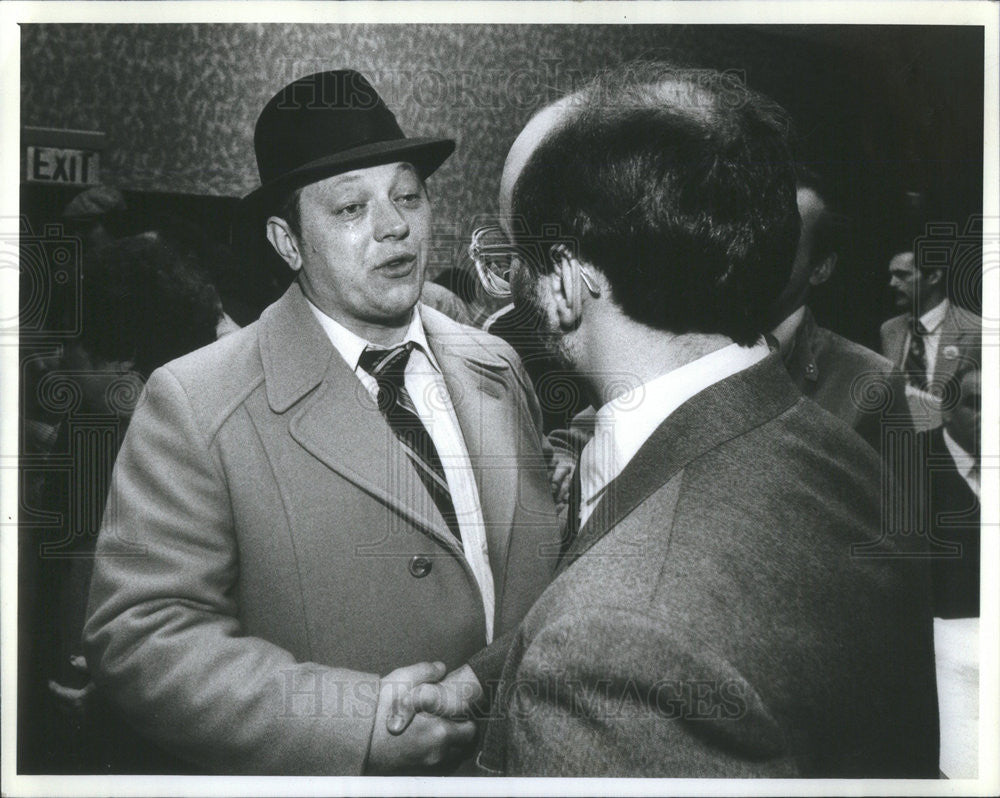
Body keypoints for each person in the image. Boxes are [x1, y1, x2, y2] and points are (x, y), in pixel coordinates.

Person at [400, 63, 940, 777]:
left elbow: (630, 619)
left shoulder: (613, 652)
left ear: (563, 280)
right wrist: (484, 679)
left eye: (514, 254)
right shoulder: (840, 456)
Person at [82, 70, 560, 775]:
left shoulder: (495, 364)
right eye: (349, 209)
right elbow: (142, 634)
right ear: (287, 240)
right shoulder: (196, 400)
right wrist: (352, 723)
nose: (395, 225)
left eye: (407, 196)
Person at [20, 233, 222, 773]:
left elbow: (82, 566)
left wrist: (71, 675)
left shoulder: (101, 436)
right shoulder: (190, 428)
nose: (57, 360)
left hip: (95, 686)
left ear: (120, 355)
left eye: (75, 346)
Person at [769, 171, 912, 451]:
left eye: (782, 238)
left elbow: (898, 494)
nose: (755, 249)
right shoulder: (691, 345)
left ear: (820, 268)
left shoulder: (871, 383)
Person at [881, 227, 981, 431]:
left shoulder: (975, 332)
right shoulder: (889, 330)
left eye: (902, 275)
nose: (892, 283)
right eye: (891, 275)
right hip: (897, 442)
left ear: (934, 276)